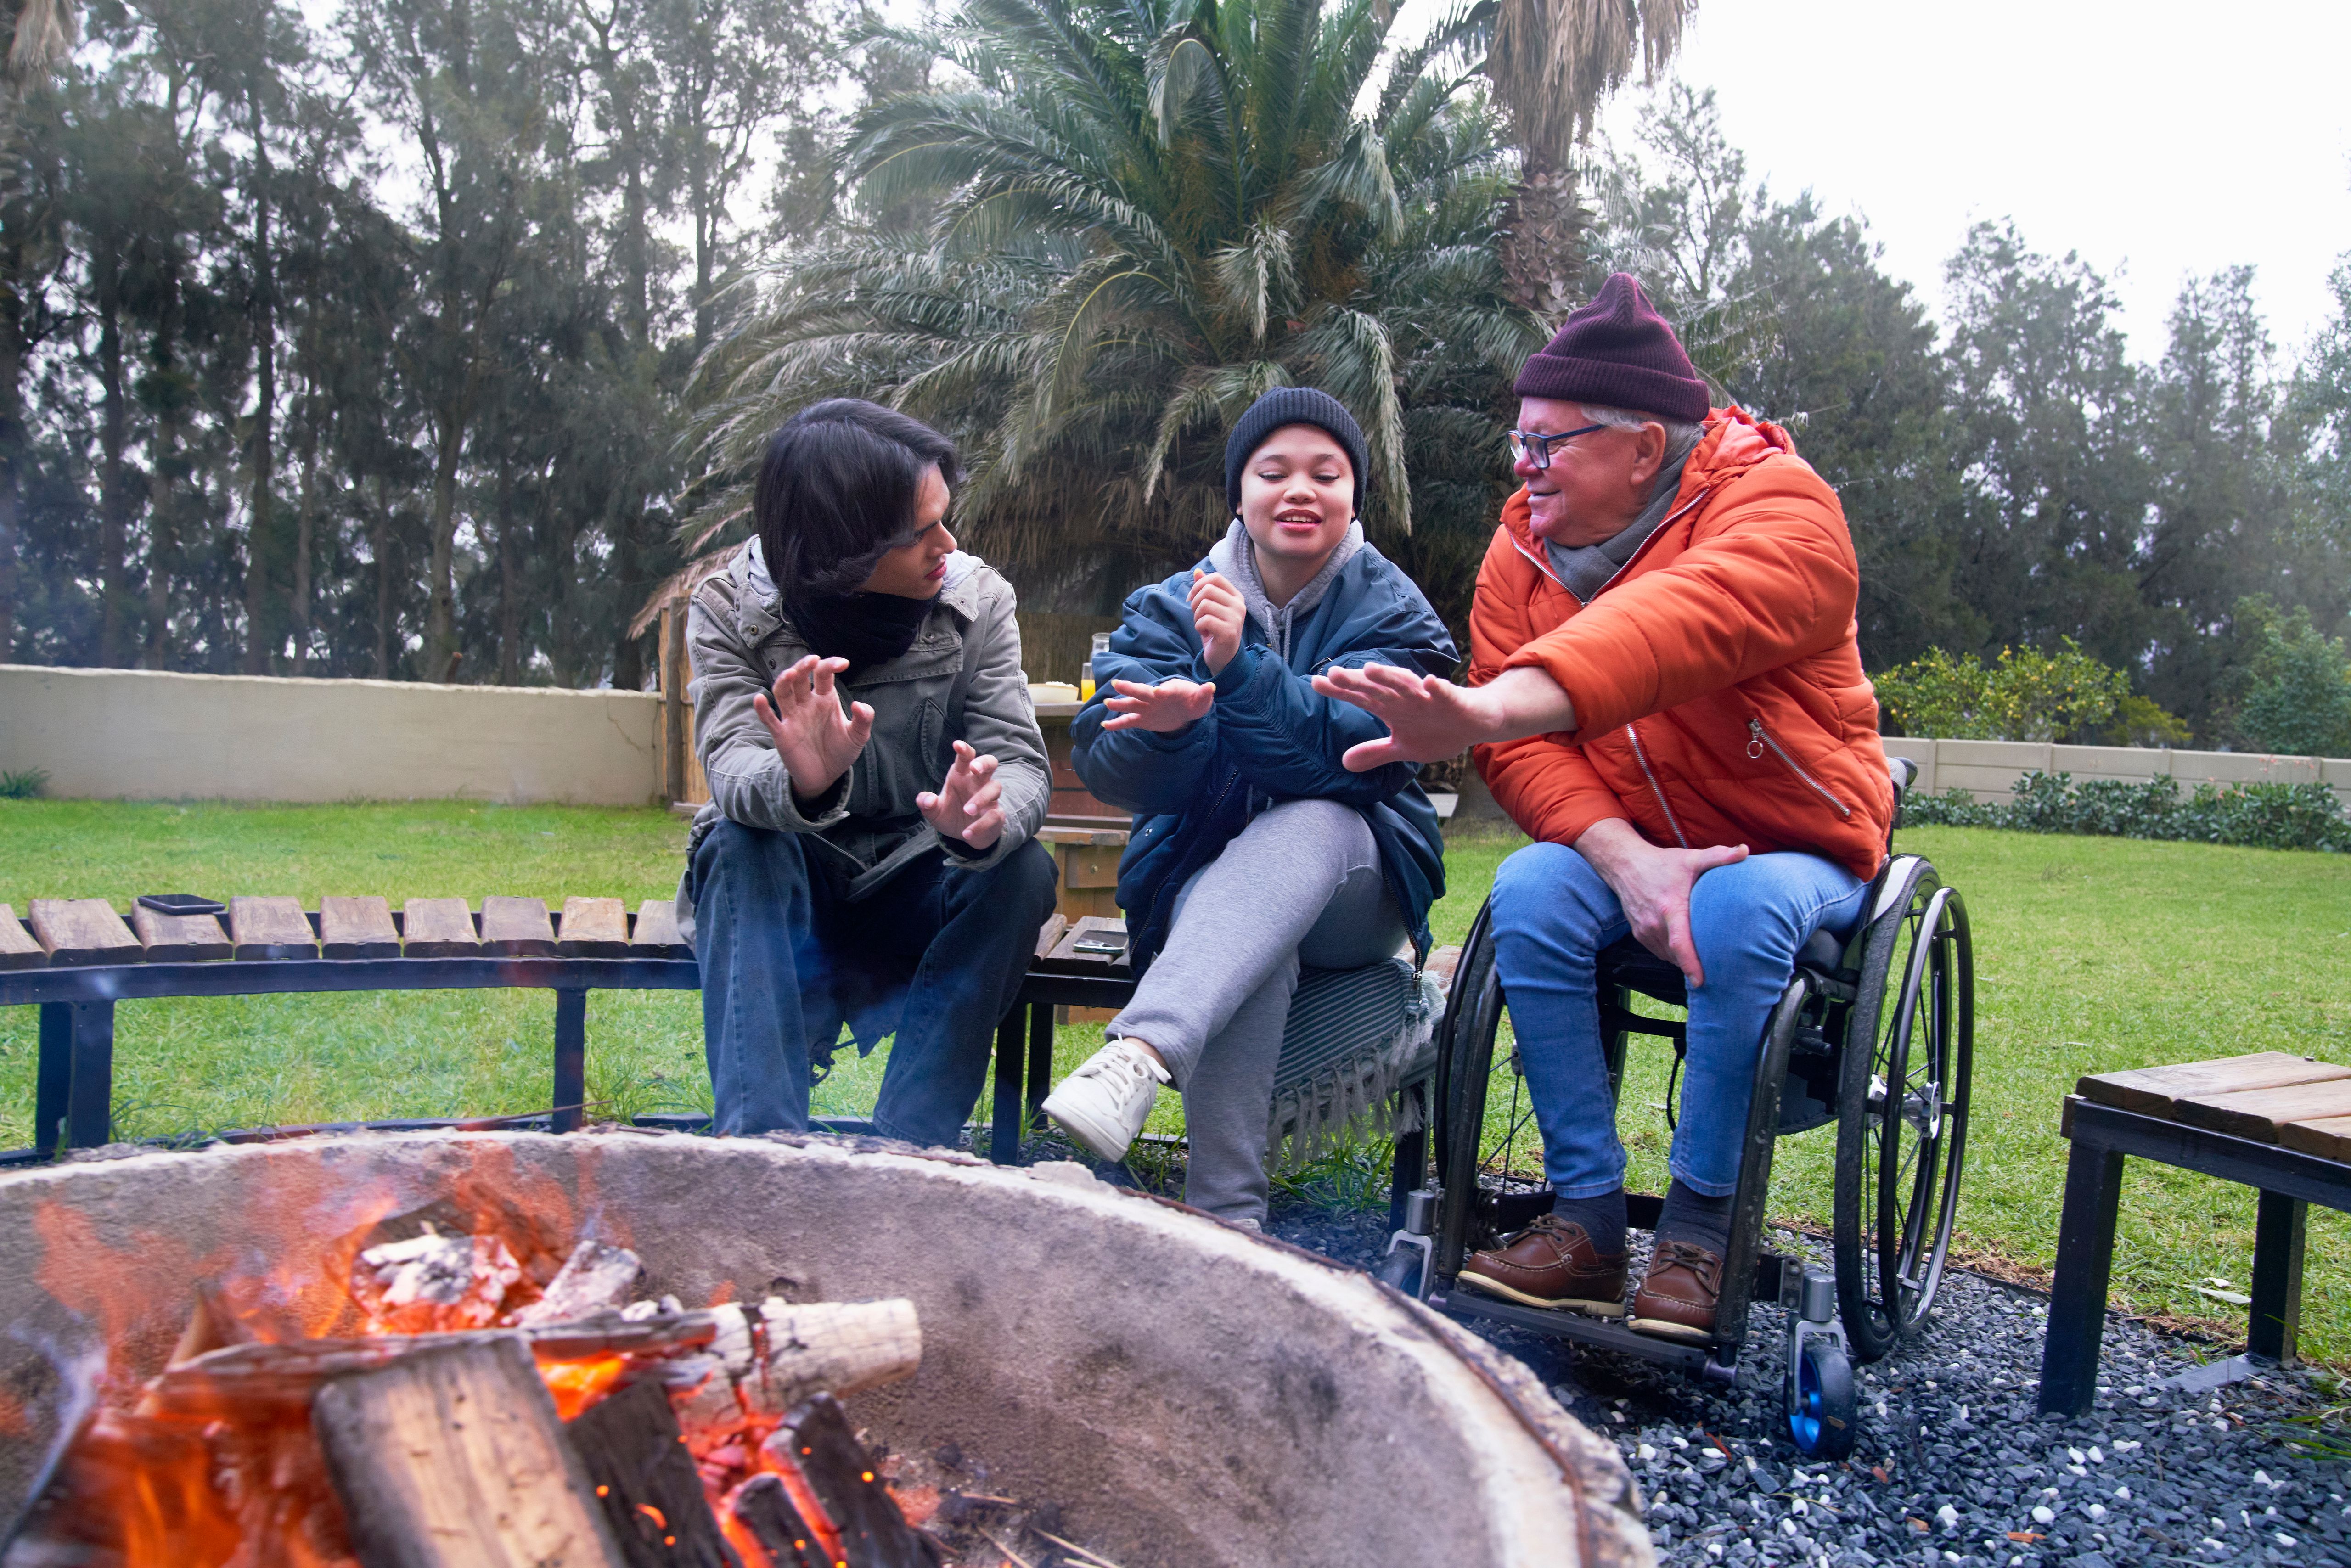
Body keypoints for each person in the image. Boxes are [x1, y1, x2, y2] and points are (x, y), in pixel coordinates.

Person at [1315, 275, 1895, 1341]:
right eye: (1519, 445)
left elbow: (1679, 624)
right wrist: (1620, 853)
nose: (1524, 470)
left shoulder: (1785, 509)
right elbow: (1538, 759)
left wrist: (1492, 706)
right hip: (1638, 835)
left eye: (1549, 446)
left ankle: (1700, 1229)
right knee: (1531, 884)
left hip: (1797, 841)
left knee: (1733, 912)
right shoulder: (1521, 549)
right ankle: (1584, 1216)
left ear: (1642, 446)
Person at [1039, 388, 1457, 1226]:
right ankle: (1229, 1222)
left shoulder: (1395, 611)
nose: (1300, 490)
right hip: (1215, 892)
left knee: (1313, 820)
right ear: (1239, 495)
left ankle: (1143, 1046)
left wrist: (1236, 673)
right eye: (1274, 472)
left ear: (1353, 498)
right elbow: (1106, 759)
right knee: (1235, 925)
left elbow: (1347, 762)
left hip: (1360, 890)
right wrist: (1167, 736)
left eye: (1325, 474)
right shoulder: (1169, 605)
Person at [678, 399, 1057, 1146]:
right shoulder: (728, 608)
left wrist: (984, 819)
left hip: (920, 878)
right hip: (792, 885)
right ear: (843, 549)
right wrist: (804, 783)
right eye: (919, 532)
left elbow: (1016, 760)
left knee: (1021, 871)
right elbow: (731, 768)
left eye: (945, 517)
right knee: (737, 844)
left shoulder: (978, 600)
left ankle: (908, 1152)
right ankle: (762, 1153)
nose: (946, 544)